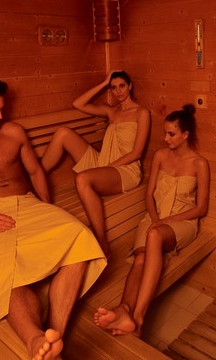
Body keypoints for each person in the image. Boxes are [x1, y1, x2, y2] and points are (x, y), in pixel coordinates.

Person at [0, 73, 107, 360]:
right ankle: (33, 339)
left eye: (1, 108)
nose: (0, 115)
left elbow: (35, 172)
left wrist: (47, 206)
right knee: (7, 270)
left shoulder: (14, 133)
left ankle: (54, 335)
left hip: (29, 204)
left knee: (79, 236)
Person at [93, 104, 210, 337]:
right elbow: (149, 195)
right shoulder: (160, 156)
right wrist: (156, 219)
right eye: (165, 133)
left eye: (171, 134)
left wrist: (166, 221)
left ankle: (138, 317)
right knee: (140, 258)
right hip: (154, 217)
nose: (165, 138)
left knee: (154, 235)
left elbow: (201, 208)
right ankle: (124, 310)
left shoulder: (199, 164)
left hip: (182, 222)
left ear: (185, 135)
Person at [40, 70, 150, 259]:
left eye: (122, 86)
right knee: (63, 133)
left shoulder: (142, 113)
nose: (118, 91)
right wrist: (104, 83)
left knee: (82, 179)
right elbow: (78, 104)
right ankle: (35, 178)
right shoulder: (111, 111)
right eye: (113, 88)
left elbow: (137, 153)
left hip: (125, 170)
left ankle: (102, 241)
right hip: (103, 162)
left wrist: (108, 166)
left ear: (130, 86)